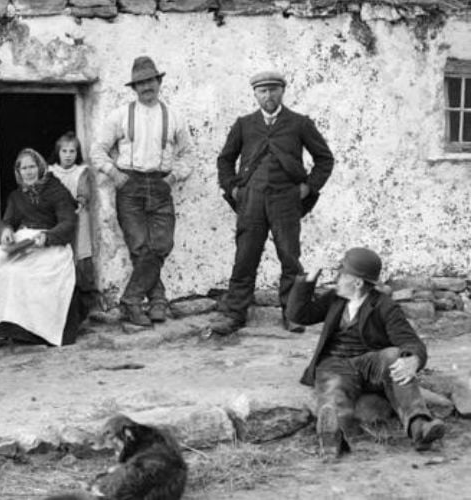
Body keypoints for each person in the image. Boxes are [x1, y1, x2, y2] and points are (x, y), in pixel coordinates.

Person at [287, 247, 446, 457]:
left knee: (394, 357)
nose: (336, 278)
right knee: (333, 390)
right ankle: (333, 437)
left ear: (358, 283)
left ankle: (419, 427)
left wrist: (414, 360)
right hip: (335, 363)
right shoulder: (335, 298)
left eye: (341, 274)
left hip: (369, 364)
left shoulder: (384, 306)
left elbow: (410, 341)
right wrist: (308, 280)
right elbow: (299, 315)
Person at [211, 70, 335, 335]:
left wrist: (308, 187)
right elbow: (225, 160)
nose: (268, 95)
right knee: (245, 257)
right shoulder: (244, 124)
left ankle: (292, 313)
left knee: (290, 257)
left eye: (273, 90)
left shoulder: (300, 123)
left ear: (282, 91)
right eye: (262, 91)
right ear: (255, 94)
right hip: (251, 200)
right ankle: (235, 314)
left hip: (286, 199)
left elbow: (325, 159)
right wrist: (233, 189)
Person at [90, 56, 193, 326]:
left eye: (150, 80)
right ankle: (157, 301)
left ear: (159, 82)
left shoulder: (174, 117)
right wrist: (115, 175)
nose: (146, 86)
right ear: (134, 87)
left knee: (162, 244)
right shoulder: (121, 115)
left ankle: (132, 299)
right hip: (130, 185)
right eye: (140, 82)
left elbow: (187, 155)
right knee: (139, 246)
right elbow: (97, 150)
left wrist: (171, 179)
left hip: (161, 184)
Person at [0, 148, 79, 346]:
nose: (29, 172)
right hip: (25, 243)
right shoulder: (16, 196)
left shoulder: (56, 190)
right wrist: (6, 230)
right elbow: (8, 220)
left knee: (21, 274)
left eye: (32, 166)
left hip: (51, 244)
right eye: (24, 168)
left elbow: (68, 222)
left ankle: (33, 331)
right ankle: (5, 326)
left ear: (40, 168)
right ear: (18, 171)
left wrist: (47, 237)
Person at [48, 131, 100, 319]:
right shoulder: (50, 172)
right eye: (64, 151)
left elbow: (84, 192)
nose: (68, 155)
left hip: (79, 217)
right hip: (58, 219)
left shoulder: (82, 171)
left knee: (80, 254)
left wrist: (80, 200)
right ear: (58, 152)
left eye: (72, 151)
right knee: (59, 255)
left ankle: (86, 304)